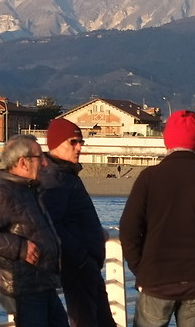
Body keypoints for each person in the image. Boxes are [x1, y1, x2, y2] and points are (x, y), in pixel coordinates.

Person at [120, 111, 195, 327]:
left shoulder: (149, 177)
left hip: (156, 278)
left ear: (167, 141)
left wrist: (140, 267)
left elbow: (129, 229)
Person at [0, 135, 66, 327]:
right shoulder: (1, 192)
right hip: (24, 287)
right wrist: (20, 248)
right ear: (23, 162)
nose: (45, 163)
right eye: (40, 157)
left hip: (42, 282)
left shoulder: (29, 190)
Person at [41, 119, 116, 327]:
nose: (79, 147)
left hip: (87, 265)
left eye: (80, 142)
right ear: (55, 144)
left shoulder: (67, 173)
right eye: (73, 142)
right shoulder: (54, 177)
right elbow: (51, 224)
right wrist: (80, 256)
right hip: (78, 267)